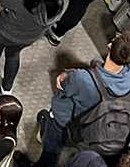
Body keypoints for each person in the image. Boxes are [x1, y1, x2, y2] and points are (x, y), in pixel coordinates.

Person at [35, 33, 130, 167]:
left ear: (110, 45)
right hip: (91, 128)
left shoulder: (83, 78)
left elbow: (63, 90)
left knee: (50, 152)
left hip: (64, 122)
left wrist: (67, 74)